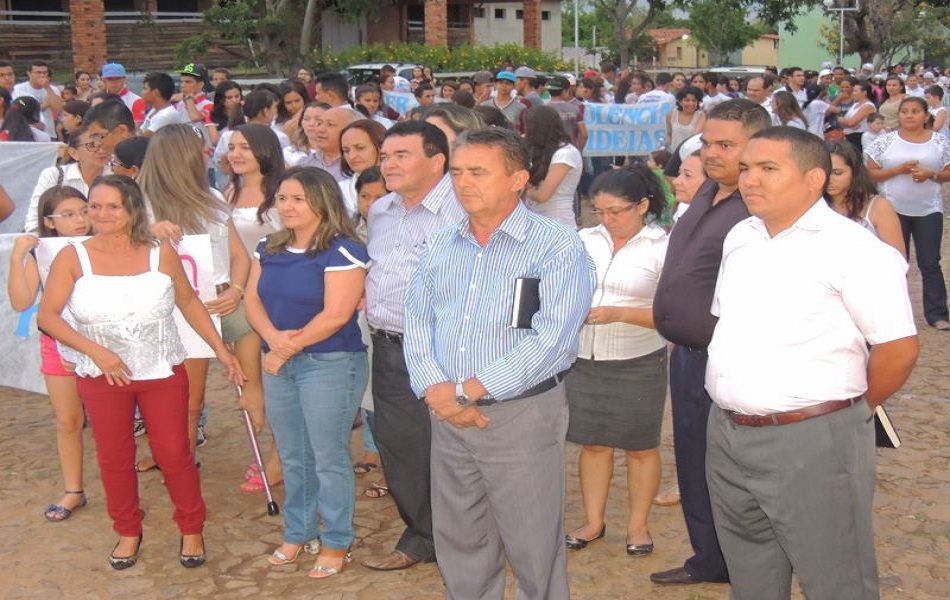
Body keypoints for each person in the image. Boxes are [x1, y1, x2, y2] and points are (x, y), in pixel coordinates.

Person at [705, 125, 919, 600]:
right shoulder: (741, 236)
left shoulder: (855, 250)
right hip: (728, 433)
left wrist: (849, 413)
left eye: (768, 168)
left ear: (813, 178)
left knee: (836, 579)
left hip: (813, 438)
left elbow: (898, 349)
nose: (750, 179)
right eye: (746, 168)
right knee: (751, 573)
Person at [403, 126, 594, 599]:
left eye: (478, 172)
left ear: (517, 179)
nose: (464, 182)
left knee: (533, 545)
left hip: (520, 415)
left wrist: (468, 390)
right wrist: (436, 389)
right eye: (457, 172)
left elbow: (552, 339)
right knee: (460, 539)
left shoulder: (557, 246)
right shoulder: (441, 243)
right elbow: (418, 320)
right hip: (448, 415)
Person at [37, 175, 245, 570]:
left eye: (112, 206)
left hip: (161, 369)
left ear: (132, 209)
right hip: (101, 376)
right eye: (94, 206)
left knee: (174, 452)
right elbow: (48, 317)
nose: (101, 214)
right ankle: (128, 530)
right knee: (114, 457)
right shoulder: (72, 257)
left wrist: (222, 351)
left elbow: (189, 302)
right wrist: (96, 352)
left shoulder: (159, 253)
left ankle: (191, 527)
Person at [650, 99, 771, 586]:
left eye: (726, 144)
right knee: (692, 460)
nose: (712, 152)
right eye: (706, 142)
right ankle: (710, 560)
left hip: (727, 361)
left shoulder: (758, 208)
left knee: (729, 468)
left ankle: (744, 564)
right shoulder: (707, 192)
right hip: (686, 357)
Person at [244, 166, 369, 579]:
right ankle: (298, 532)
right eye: (282, 198)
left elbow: (336, 314)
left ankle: (337, 540)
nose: (287, 206)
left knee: (328, 457)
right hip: (279, 362)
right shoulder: (268, 247)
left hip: (330, 363)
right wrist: (273, 341)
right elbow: (252, 302)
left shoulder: (343, 250)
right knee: (294, 454)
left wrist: (284, 349)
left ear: (322, 201)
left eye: (298, 198)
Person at [360, 121, 465, 572]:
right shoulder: (381, 210)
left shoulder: (464, 210)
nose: (388, 164)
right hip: (388, 345)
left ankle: (467, 537)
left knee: (458, 444)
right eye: (385, 156)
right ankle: (425, 534)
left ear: (437, 160)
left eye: (402, 155)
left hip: (447, 349)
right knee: (400, 444)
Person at [563, 165, 668, 558]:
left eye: (617, 212)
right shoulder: (583, 240)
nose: (607, 220)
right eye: (599, 211)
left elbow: (672, 314)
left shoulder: (662, 247)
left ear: (642, 206)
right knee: (593, 443)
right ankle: (593, 521)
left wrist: (618, 313)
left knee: (640, 446)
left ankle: (638, 524)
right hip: (584, 359)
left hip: (638, 359)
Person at [137, 124, 252, 459]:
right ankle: (169, 457)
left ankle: (181, 461)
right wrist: (147, 231)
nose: (207, 155)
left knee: (192, 399)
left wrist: (236, 289)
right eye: (199, 150)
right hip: (161, 310)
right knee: (162, 394)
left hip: (210, 305)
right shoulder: (138, 201)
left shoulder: (212, 197)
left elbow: (239, 255)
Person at [8, 186, 90, 522]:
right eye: (68, 214)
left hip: (107, 343)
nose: (80, 219)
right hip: (57, 344)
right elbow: (21, 302)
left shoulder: (105, 244)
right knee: (68, 421)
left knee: (116, 420)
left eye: (84, 210)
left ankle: (122, 488)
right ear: (49, 222)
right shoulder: (40, 255)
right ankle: (73, 489)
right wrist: (17, 258)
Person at [225, 123, 286, 493]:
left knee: (280, 376)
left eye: (245, 147)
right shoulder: (228, 191)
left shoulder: (282, 191)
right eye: (232, 147)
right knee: (253, 377)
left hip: (278, 290)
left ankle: (279, 458)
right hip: (242, 292)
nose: (236, 154)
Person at [865, 96, 950, 329]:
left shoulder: (940, 142)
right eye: (905, 112)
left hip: (928, 209)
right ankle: (895, 314)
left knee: (930, 262)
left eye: (915, 111)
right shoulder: (885, 141)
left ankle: (938, 315)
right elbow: (871, 173)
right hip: (892, 210)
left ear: (926, 115)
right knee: (895, 262)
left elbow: (947, 172)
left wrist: (931, 174)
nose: (909, 116)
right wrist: (898, 170)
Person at [825, 140, 904, 255]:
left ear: (855, 172)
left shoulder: (878, 207)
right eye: (824, 172)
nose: (829, 180)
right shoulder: (813, 206)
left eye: (837, 173)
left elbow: (898, 258)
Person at [25, 125, 108, 233]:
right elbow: (34, 221)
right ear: (74, 153)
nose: (101, 150)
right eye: (92, 145)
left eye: (105, 145)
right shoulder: (54, 175)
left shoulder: (117, 176)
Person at [522, 105, 583, 228]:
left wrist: (524, 184)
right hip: (533, 221)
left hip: (558, 223)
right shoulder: (540, 150)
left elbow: (542, 196)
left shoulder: (565, 153)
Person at [338, 119, 386, 220]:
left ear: (381, 147)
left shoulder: (401, 188)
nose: (351, 156)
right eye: (346, 150)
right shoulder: (338, 190)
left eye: (360, 148)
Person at [298, 106, 359, 180]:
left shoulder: (358, 164)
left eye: (330, 124)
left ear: (351, 130)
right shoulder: (304, 164)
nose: (320, 129)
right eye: (319, 123)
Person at [13, 60, 63, 138]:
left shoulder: (53, 89)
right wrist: (46, 104)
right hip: (26, 132)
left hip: (49, 132)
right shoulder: (18, 89)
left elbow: (58, 109)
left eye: (45, 72)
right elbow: (22, 110)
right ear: (29, 73)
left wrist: (47, 87)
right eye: (38, 72)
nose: (42, 75)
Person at [99, 63, 146, 129]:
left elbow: (137, 129)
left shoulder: (137, 101)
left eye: (117, 78)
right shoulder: (98, 100)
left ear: (124, 79)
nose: (114, 82)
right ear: (104, 80)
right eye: (110, 79)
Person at [837, 80, 876, 152]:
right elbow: (843, 121)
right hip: (849, 136)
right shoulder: (855, 104)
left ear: (864, 92)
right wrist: (844, 122)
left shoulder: (868, 106)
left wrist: (845, 122)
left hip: (859, 137)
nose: (853, 93)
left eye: (855, 91)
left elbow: (851, 122)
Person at [140, 72, 180, 136]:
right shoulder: (154, 110)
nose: (142, 92)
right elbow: (141, 131)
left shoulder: (169, 114)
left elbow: (144, 136)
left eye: (145, 89)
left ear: (156, 92)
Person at [666, 86, 705, 151]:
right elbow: (669, 134)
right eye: (687, 100)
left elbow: (694, 137)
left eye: (694, 100)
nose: (691, 103)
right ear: (680, 102)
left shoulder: (701, 116)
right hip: (674, 153)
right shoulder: (671, 115)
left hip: (692, 153)